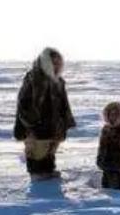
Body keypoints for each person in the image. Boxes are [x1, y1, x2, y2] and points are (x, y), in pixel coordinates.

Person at [14, 47, 76, 180]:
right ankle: (38, 186)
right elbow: (23, 103)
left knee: (50, 153)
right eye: (53, 62)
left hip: (54, 126)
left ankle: (49, 174)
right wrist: (34, 123)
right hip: (37, 127)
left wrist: (64, 123)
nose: (56, 65)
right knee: (37, 154)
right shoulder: (33, 78)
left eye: (58, 62)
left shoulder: (58, 81)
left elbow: (64, 104)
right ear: (45, 62)